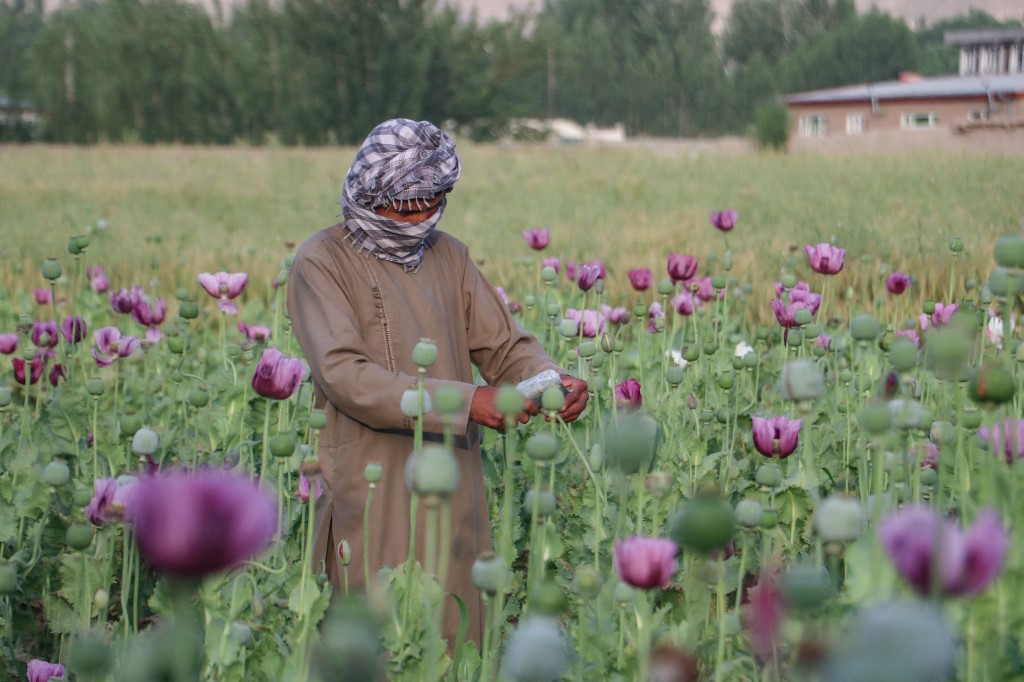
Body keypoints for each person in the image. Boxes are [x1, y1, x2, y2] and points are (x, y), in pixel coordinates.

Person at [286, 118, 588, 645]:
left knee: (456, 635)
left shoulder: (449, 255)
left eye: (435, 201)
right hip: (371, 480)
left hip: (454, 481)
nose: (422, 217)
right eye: (407, 205)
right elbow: (345, 375)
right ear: (370, 191)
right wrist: (467, 402)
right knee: (382, 639)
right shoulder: (321, 261)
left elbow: (504, 346)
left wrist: (549, 379)